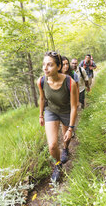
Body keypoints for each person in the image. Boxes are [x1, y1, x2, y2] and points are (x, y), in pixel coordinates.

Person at [37, 51, 77, 182]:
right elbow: (42, 99)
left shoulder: (70, 83)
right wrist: (41, 115)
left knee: (66, 138)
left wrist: (70, 128)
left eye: (50, 65)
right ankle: (58, 164)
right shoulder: (41, 81)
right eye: (44, 64)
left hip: (66, 111)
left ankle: (65, 148)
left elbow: (73, 107)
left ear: (58, 67)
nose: (45, 68)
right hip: (51, 111)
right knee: (52, 145)